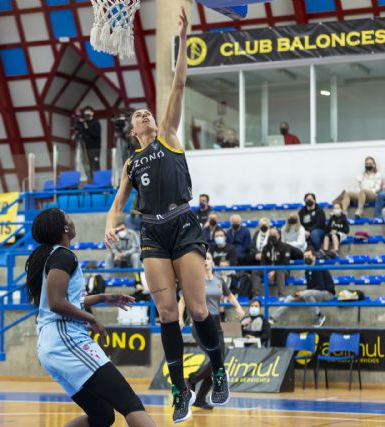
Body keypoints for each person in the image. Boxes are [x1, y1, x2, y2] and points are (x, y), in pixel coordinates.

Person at [104, 9, 230, 423]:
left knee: (197, 310)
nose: (145, 115)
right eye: (139, 115)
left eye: (148, 112)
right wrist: (109, 224)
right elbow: (119, 202)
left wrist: (183, 38)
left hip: (184, 224)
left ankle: (221, 370)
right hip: (153, 233)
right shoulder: (130, 163)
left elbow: (178, 82)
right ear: (132, 129)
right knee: (167, 314)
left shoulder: (170, 135)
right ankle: (179, 392)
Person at [26, 208, 155, 427]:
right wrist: (92, 318)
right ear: (65, 228)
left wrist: (103, 297)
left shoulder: (49, 257)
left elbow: (56, 302)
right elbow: (57, 303)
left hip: (51, 345)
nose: (71, 219)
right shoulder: (63, 255)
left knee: (102, 416)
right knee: (130, 403)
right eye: (67, 217)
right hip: (66, 340)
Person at [178, 252, 245, 410]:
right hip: (200, 323)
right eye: (202, 259)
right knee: (217, 361)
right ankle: (193, 380)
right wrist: (180, 319)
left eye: (208, 258)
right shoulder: (195, 279)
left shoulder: (219, 280)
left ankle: (199, 395)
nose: (205, 261)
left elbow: (229, 296)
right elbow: (182, 301)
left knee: (218, 362)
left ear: (212, 262)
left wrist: (239, 307)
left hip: (216, 323)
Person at [270, 248, 335, 327]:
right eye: (305, 256)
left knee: (306, 294)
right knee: (291, 298)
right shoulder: (307, 270)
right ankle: (273, 318)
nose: (307, 258)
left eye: (309, 256)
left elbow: (320, 287)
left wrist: (304, 293)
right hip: (313, 294)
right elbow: (309, 287)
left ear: (314, 257)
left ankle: (319, 316)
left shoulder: (318, 268)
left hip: (327, 293)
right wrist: (301, 294)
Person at [250, 228, 291, 297]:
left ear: (279, 235)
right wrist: (268, 272)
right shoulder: (265, 248)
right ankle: (256, 296)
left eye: (274, 234)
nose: (272, 236)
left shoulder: (285, 247)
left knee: (279, 270)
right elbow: (263, 263)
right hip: (268, 270)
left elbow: (285, 264)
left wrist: (274, 271)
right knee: (255, 271)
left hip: (282, 271)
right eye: (270, 234)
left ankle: (281, 296)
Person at [77, 106, 102, 179]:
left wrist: (88, 128)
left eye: (88, 112)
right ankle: (90, 180)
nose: (87, 114)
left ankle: (98, 180)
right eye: (85, 112)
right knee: (88, 165)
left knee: (95, 165)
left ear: (92, 113)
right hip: (85, 147)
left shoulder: (96, 122)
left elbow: (96, 134)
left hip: (94, 148)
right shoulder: (84, 123)